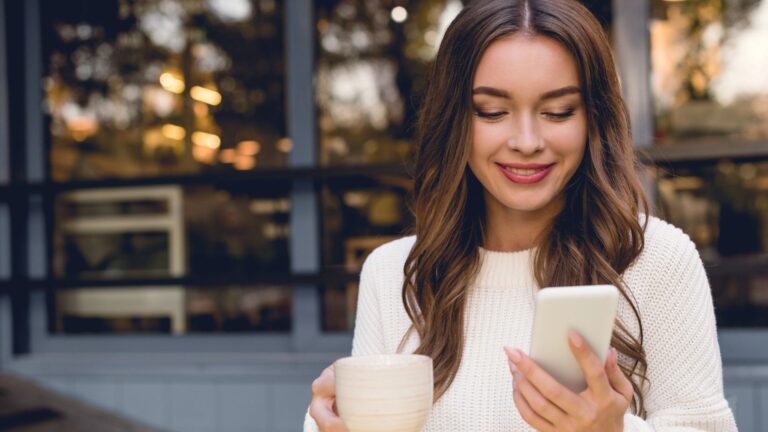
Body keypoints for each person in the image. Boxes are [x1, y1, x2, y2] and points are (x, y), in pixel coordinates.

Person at [306, 0, 738, 430]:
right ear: (454, 120)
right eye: (492, 112)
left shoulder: (656, 259)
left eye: (558, 111)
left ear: (594, 119)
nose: (527, 141)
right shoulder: (394, 274)